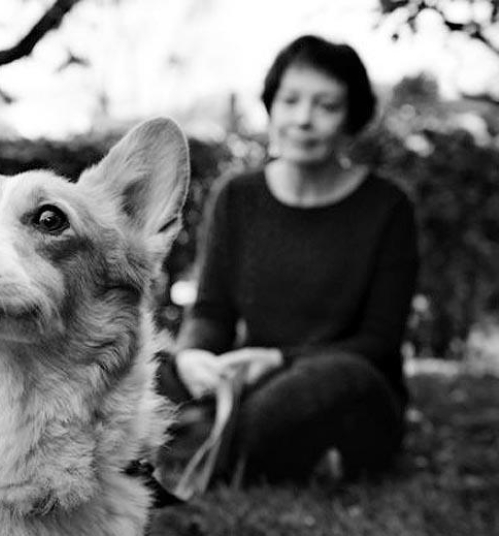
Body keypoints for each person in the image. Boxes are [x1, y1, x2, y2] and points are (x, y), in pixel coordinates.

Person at [158, 34, 419, 485]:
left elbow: (379, 341)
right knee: (141, 364)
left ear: (351, 118)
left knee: (320, 385)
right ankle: (254, 447)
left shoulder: (388, 207)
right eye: (290, 101)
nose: (303, 119)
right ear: (272, 106)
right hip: (253, 377)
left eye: (326, 106)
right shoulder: (237, 197)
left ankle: (212, 442)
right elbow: (212, 311)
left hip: (346, 383)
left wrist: (279, 359)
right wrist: (193, 356)